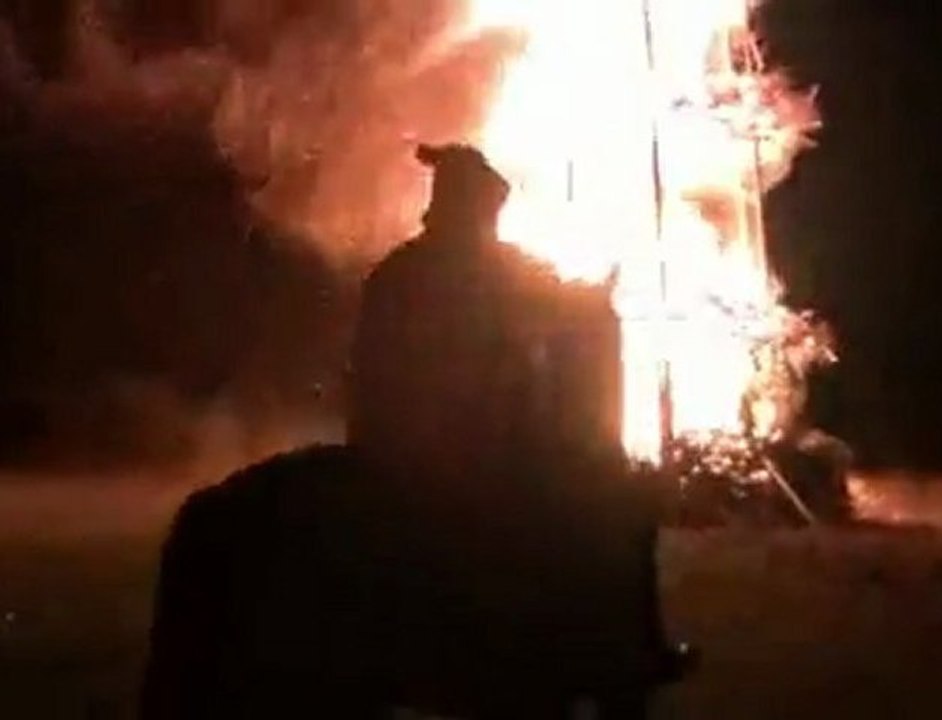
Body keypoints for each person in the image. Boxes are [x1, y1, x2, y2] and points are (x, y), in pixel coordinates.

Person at [141, 144, 690, 719]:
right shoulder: (502, 274)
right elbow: (564, 312)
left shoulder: (397, 270)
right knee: (616, 502)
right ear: (484, 210)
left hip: (386, 447)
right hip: (475, 458)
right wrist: (592, 299)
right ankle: (625, 648)